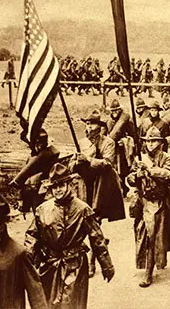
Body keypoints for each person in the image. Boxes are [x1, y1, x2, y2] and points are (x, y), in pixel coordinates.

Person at [25, 164, 115, 309]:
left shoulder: (82, 209)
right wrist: (29, 264)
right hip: (50, 264)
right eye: (54, 187)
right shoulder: (42, 210)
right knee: (49, 303)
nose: (58, 190)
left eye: (61, 185)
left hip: (74, 265)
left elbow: (97, 238)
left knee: (71, 304)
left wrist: (107, 266)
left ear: (69, 184)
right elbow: (32, 237)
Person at [70, 109, 125, 276]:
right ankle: (93, 251)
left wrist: (89, 160)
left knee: (94, 224)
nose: (89, 127)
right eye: (87, 123)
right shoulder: (81, 143)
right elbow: (71, 165)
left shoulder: (108, 142)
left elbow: (108, 163)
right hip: (83, 186)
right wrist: (76, 162)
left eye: (92, 123)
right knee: (81, 223)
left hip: (101, 186)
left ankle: (93, 261)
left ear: (99, 126)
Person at [126, 126, 170, 288]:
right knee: (143, 235)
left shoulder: (166, 157)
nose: (150, 144)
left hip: (159, 204)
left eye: (154, 141)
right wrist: (136, 175)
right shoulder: (140, 158)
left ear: (159, 142)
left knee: (155, 237)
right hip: (144, 202)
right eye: (148, 141)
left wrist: (150, 170)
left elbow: (169, 174)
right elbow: (129, 180)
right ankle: (149, 265)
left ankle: (148, 273)